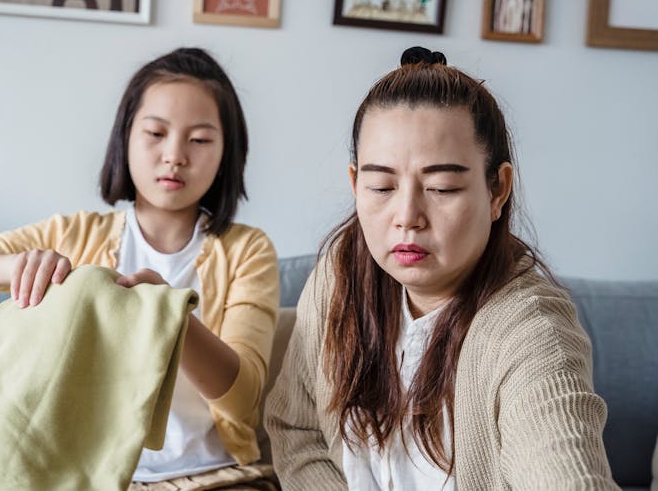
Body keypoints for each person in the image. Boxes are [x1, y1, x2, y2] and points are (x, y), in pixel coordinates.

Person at [0, 47, 280, 488]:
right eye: (156, 133)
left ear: (226, 154)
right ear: (125, 138)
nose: (175, 155)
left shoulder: (247, 250)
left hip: (214, 476)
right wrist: (17, 266)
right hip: (85, 475)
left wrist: (169, 314)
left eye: (199, 139)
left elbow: (243, 400)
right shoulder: (73, 234)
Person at [264, 46, 618, 490]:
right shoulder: (339, 276)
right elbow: (298, 431)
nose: (407, 215)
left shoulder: (532, 332)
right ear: (355, 185)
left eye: (442, 187)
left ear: (497, 190)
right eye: (381, 186)